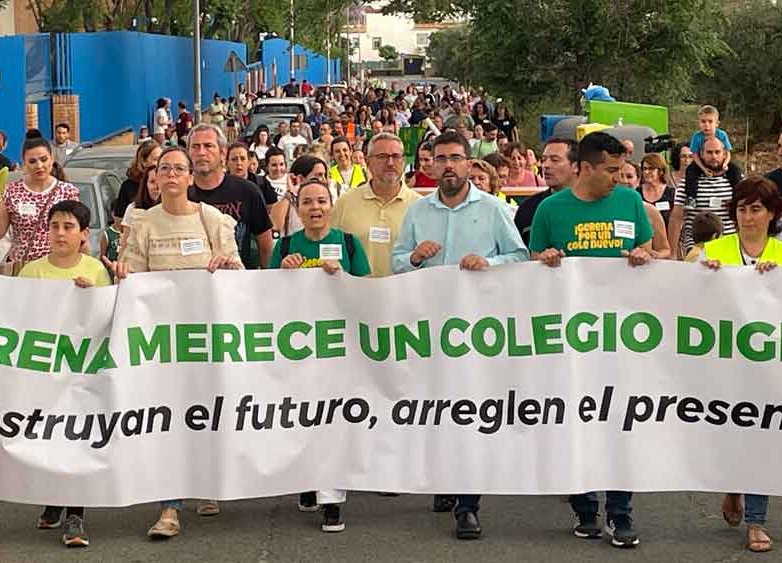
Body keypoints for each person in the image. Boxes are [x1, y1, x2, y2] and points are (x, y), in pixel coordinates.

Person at [392, 131, 529, 541]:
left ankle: (468, 505)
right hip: (430, 329)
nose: (448, 165)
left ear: (470, 164)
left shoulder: (492, 209)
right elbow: (398, 262)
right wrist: (414, 257)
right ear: (430, 165)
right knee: (436, 408)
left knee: (468, 412)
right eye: (441, 159)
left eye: (455, 158)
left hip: (477, 332)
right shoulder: (418, 213)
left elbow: (520, 257)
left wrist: (488, 262)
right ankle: (445, 480)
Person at [103, 147, 242, 538]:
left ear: (190, 177)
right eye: (164, 169)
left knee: (205, 414)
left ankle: (207, 482)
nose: (172, 175)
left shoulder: (212, 219)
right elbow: (132, 282)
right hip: (162, 344)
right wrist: (124, 275)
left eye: (179, 169)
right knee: (167, 421)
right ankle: (169, 508)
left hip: (205, 341)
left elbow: (239, 275)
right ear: (156, 177)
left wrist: (228, 267)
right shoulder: (144, 223)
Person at [530, 132, 652, 549]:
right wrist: (544, 262)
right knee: (576, 425)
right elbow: (530, 268)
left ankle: (620, 513)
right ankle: (585, 509)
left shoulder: (630, 203)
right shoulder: (551, 209)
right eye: (612, 171)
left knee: (620, 424)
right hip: (570, 342)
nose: (620, 179)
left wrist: (644, 256)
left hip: (621, 338)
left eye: (622, 170)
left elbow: (650, 248)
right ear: (584, 168)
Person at [270, 177, 371, 533]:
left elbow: (367, 291)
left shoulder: (347, 243)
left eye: (322, 201)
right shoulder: (285, 247)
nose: (315, 208)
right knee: (301, 418)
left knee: (334, 420)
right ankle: (308, 480)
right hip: (296, 351)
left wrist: (341, 276)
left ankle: (332, 500)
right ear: (298, 209)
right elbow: (260, 297)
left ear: (331, 206)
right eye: (308, 202)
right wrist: (283, 274)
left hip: (338, 349)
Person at [19, 200, 111, 547]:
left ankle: (76, 514)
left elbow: (106, 321)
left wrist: (93, 297)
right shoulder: (32, 271)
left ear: (83, 234)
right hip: (45, 372)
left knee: (78, 438)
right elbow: (20, 317)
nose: (60, 233)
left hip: (83, 373)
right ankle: (54, 498)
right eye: (55, 225)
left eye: (69, 227)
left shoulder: (96, 270)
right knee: (49, 437)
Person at [700, 178, 782, 554]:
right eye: (741, 209)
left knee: (761, 436)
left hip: (767, 366)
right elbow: (683, 296)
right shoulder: (714, 250)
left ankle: (756, 521)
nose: (748, 217)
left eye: (756, 209)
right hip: (723, 363)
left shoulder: (781, 255)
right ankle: (733, 484)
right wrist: (704, 275)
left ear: (772, 213)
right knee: (731, 435)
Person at [332, 132, 421, 278]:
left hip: (402, 296)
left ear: (404, 161)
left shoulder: (419, 206)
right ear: (368, 162)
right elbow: (331, 249)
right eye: (382, 157)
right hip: (355, 295)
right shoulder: (345, 203)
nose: (390, 163)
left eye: (396, 156)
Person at [0, 136, 79, 272]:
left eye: (44, 159)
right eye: (32, 161)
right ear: (24, 163)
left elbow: (77, 234)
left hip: (58, 268)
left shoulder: (68, 191)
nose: (39, 166)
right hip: (23, 269)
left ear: (52, 159)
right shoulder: (12, 191)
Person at [186, 124, 273, 270]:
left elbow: (265, 246)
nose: (201, 152)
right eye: (195, 146)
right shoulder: (181, 193)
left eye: (208, 146)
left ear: (222, 153)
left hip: (237, 281)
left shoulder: (247, 191)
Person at [668, 137, 742, 259]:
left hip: (729, 246)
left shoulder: (737, 179)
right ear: (701, 154)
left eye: (717, 152)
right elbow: (676, 218)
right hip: (697, 249)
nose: (714, 156)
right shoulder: (688, 182)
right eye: (709, 152)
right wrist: (672, 253)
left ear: (724, 154)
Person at [515, 138, 578, 246]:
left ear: (576, 166)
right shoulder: (528, 208)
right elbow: (517, 253)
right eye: (544, 160)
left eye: (555, 160)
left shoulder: (592, 205)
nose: (546, 165)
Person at [620, 161, 671, 258]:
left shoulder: (650, 211)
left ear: (638, 180)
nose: (624, 181)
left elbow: (665, 249)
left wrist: (653, 256)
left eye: (629, 176)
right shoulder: (602, 208)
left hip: (643, 270)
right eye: (620, 176)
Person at [270, 154, 329, 237]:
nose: (324, 180)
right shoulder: (288, 199)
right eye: (319, 175)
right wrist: (291, 192)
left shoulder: (330, 199)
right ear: (301, 178)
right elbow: (275, 225)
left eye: (324, 175)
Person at [113, 140, 161, 219]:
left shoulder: (168, 182)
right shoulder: (128, 186)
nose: (160, 163)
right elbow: (119, 218)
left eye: (162, 158)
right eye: (156, 159)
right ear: (144, 161)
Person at [226, 142, 278, 210]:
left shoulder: (262, 183)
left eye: (242, 159)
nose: (239, 163)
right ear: (227, 162)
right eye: (234, 159)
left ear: (248, 162)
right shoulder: (219, 184)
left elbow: (273, 210)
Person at [120, 165, 160, 253]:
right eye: (152, 182)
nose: (157, 187)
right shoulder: (133, 208)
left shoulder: (175, 209)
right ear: (146, 185)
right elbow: (125, 245)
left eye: (160, 182)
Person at [690, 105, 732, 175]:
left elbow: (728, 153)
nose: (706, 125)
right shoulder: (696, 136)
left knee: (735, 169)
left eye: (710, 121)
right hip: (701, 161)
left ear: (716, 123)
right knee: (690, 170)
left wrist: (725, 164)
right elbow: (695, 155)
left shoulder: (722, 135)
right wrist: (703, 168)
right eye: (703, 121)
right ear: (699, 123)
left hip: (720, 161)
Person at [638, 153, 675, 226]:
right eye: (644, 169)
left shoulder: (671, 193)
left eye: (651, 169)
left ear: (661, 171)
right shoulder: (637, 192)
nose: (646, 172)